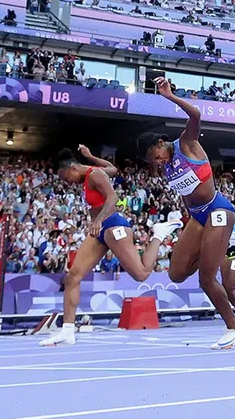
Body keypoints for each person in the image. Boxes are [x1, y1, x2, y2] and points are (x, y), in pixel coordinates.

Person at [41, 145, 181, 346]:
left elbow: (113, 198)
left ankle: (158, 235)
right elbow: (113, 169)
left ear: (72, 168)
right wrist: (90, 156)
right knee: (72, 277)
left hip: (113, 225)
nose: (67, 182)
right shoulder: (90, 173)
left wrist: (98, 220)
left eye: (65, 178)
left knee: (140, 274)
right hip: (98, 233)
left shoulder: (95, 175)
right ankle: (67, 331)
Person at [143, 77, 235, 350]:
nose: (159, 162)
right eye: (154, 162)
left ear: (162, 143)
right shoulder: (163, 165)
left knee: (206, 279)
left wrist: (169, 96)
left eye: (158, 155)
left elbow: (196, 114)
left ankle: (234, 328)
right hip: (198, 217)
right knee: (176, 274)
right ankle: (215, 248)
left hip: (218, 210)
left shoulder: (185, 143)